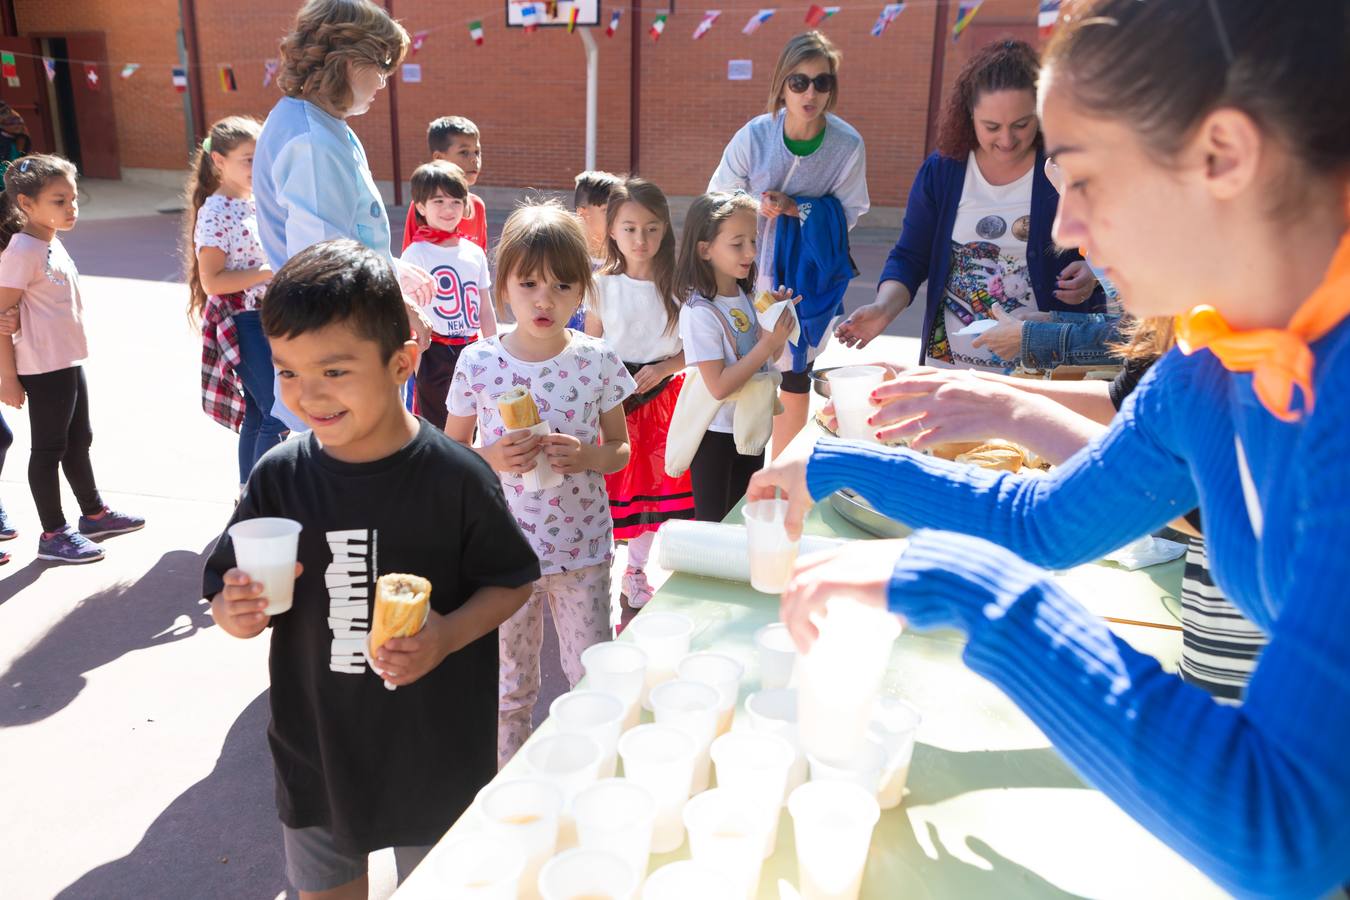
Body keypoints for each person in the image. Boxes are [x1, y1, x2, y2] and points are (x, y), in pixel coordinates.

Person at [750, 1, 1350, 894]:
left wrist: (967, 589)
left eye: (1078, 178)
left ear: (1222, 156)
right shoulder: (1211, 362)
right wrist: (834, 460)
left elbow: (1288, 836)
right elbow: (1044, 520)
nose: (1062, 225)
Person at [202, 239, 537, 899]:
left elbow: (511, 579)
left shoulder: (456, 477)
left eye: (333, 371)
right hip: (318, 754)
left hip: (436, 756)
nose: (306, 397)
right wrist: (233, 612)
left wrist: (445, 635)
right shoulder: (280, 475)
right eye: (288, 372)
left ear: (400, 362)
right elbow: (226, 586)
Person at [845, 320, 1266, 702]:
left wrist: (1008, 410)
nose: (1068, 235)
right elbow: (1127, 406)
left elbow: (1193, 502)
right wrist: (972, 391)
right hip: (1213, 645)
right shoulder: (1210, 343)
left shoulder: (1286, 365)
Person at [445, 202, 635, 765]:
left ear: (583, 291)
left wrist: (586, 456)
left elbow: (620, 452)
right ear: (503, 286)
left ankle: (592, 778)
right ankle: (508, 789)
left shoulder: (597, 361)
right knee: (509, 689)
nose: (543, 299)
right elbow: (449, 456)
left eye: (561, 285)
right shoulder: (478, 363)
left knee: (591, 680)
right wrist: (491, 456)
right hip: (503, 561)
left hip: (582, 552)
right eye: (527, 283)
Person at [835, 39, 1106, 372]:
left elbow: (1114, 239)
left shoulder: (1066, 165)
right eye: (991, 127)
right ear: (968, 116)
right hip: (951, 369)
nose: (1007, 140)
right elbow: (910, 256)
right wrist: (883, 308)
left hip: (1042, 372)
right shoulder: (942, 171)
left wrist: (1095, 273)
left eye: (1021, 124)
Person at [253, 0, 434, 431]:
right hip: (335, 347)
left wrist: (389, 266)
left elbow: (348, 230)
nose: (385, 80)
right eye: (383, 64)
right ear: (349, 61)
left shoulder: (320, 123)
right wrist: (399, 302)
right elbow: (325, 262)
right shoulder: (312, 138)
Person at [708, 30, 868, 457]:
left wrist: (799, 209)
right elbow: (718, 195)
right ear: (782, 84)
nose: (810, 92)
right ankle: (741, 470)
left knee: (795, 375)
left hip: (804, 278)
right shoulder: (756, 136)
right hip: (745, 273)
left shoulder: (846, 144)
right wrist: (753, 207)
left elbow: (851, 211)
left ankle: (780, 475)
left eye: (822, 81)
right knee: (744, 368)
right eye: (799, 81)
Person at [0, 155, 144, 565]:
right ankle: (53, 534)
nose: (71, 208)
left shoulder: (49, 241)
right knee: (48, 449)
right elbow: (1, 318)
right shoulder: (22, 251)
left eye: (74, 199)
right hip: (41, 367)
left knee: (79, 439)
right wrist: (7, 378)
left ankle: (94, 514)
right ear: (26, 204)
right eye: (59, 201)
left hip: (66, 360)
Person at [583, 177, 694, 609]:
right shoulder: (601, 285)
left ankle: (636, 570)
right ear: (611, 230)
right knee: (608, 486)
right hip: (613, 401)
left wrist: (665, 367)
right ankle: (599, 566)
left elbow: (696, 349)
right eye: (628, 228)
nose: (640, 238)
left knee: (656, 490)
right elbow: (590, 348)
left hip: (664, 397)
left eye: (650, 227)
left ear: (665, 228)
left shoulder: (680, 285)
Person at [676, 191, 796, 523]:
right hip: (715, 434)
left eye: (754, 241)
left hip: (751, 426)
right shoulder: (699, 310)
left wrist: (778, 324)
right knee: (714, 528)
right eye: (737, 243)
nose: (751, 252)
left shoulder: (747, 296)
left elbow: (769, 358)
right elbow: (718, 387)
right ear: (705, 249)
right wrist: (766, 343)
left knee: (743, 521)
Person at [185, 116, 284, 489]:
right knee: (278, 411)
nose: (257, 167)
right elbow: (213, 281)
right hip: (243, 322)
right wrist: (266, 270)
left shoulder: (259, 201)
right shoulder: (215, 211)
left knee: (260, 412)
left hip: (270, 318)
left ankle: (248, 493)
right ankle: (262, 496)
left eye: (261, 158)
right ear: (219, 162)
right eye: (248, 159)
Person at [399, 160, 496, 430]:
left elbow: (485, 307)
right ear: (420, 206)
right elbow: (407, 310)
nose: (448, 209)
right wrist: (418, 362)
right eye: (438, 201)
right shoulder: (415, 254)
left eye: (455, 201)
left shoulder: (473, 252)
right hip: (433, 351)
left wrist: (495, 347)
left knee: (471, 424)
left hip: (472, 349)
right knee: (435, 426)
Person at [400, 115, 488, 253]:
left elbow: (480, 258)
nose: (474, 159)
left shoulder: (478, 206)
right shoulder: (424, 203)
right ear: (439, 158)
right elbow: (409, 260)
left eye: (477, 152)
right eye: (464, 152)